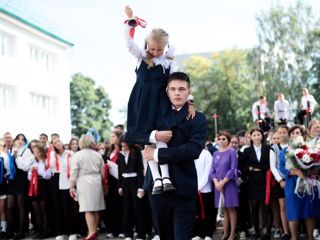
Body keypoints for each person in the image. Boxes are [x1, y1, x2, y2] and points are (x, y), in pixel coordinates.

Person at [124, 6, 195, 195]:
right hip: (142, 104)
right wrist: (130, 22)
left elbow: (177, 81)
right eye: (152, 48)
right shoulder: (141, 58)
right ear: (147, 45)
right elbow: (129, 44)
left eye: (159, 49)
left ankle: (166, 177)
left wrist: (189, 101)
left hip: (161, 104)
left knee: (162, 135)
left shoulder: (169, 63)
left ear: (165, 47)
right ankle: (156, 179)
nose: (155, 52)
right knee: (148, 139)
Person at [143, 72, 207, 239]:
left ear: (189, 91)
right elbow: (132, 135)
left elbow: (193, 150)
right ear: (167, 91)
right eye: (173, 89)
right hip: (157, 189)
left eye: (181, 89)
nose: (177, 93)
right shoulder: (155, 114)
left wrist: (157, 153)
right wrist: (154, 137)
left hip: (184, 186)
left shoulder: (198, 118)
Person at [279, 125, 317, 240]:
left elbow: (316, 164)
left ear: (302, 134)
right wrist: (295, 172)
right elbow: (281, 168)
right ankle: (294, 237)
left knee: (309, 211)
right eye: (293, 133)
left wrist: (310, 171)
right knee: (293, 212)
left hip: (308, 182)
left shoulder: (310, 150)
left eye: (298, 132)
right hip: (292, 184)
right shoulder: (285, 151)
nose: (296, 135)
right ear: (290, 136)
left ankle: (310, 237)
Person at [70, 134, 105, 240]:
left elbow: (74, 172)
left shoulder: (78, 155)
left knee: (87, 209)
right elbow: (102, 171)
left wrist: (71, 185)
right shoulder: (97, 155)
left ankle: (91, 233)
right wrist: (102, 182)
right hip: (97, 181)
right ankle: (94, 231)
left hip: (84, 181)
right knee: (96, 208)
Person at [239, 128, 271, 240]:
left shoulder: (268, 149)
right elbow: (243, 167)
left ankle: (267, 232)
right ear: (251, 137)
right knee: (255, 208)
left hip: (265, 181)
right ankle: (256, 231)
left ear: (262, 136)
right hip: (252, 182)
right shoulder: (247, 151)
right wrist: (250, 169)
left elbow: (269, 165)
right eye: (254, 135)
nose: (257, 137)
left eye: (258, 135)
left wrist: (255, 167)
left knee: (267, 207)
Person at [209, 131, 238, 240]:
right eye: (219, 139)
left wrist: (223, 182)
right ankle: (225, 233)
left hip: (229, 184)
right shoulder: (215, 153)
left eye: (224, 139)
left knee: (231, 208)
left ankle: (232, 233)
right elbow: (212, 171)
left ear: (228, 140)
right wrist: (216, 182)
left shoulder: (231, 152)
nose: (221, 141)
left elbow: (233, 169)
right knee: (224, 209)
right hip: (218, 185)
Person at [117, 140, 146, 240]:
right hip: (124, 183)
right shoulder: (120, 154)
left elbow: (139, 170)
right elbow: (119, 170)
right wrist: (120, 186)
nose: (122, 144)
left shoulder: (136, 153)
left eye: (124, 142)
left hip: (135, 182)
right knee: (126, 209)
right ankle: (128, 234)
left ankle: (141, 234)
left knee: (138, 208)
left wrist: (141, 187)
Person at [269, 126, 290, 240]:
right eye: (280, 132)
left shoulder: (292, 146)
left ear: (288, 133)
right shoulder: (274, 148)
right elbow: (273, 166)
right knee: (283, 207)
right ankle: (286, 232)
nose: (282, 134)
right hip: (280, 181)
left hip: (292, 179)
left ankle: (293, 229)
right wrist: (280, 180)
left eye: (284, 132)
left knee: (292, 205)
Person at [28, 144, 51, 239]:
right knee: (36, 211)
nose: (36, 154)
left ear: (42, 151)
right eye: (34, 152)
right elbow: (28, 177)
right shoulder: (33, 163)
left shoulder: (46, 162)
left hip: (43, 186)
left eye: (38, 151)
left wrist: (39, 172)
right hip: (34, 187)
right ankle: (39, 230)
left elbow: (48, 176)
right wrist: (32, 172)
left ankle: (46, 231)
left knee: (44, 210)